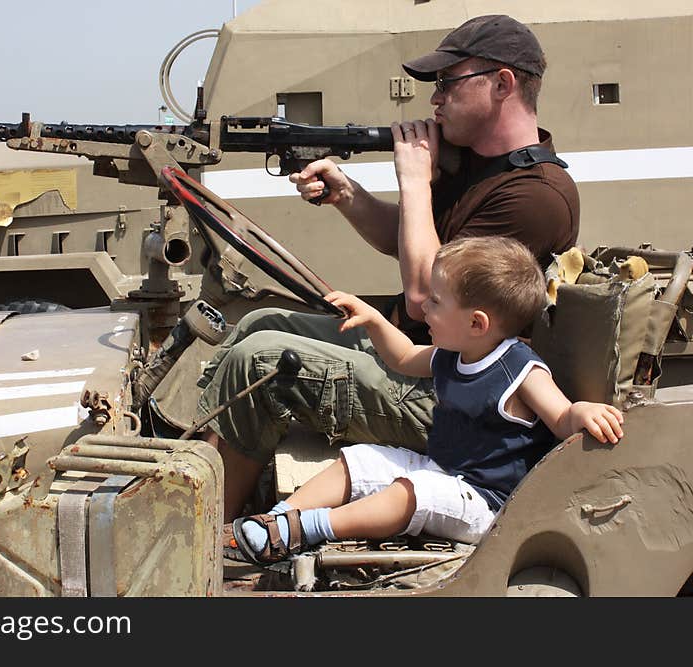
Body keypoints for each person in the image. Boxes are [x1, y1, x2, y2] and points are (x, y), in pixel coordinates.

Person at [197, 14, 581, 520]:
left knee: (263, 361)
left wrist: (416, 179)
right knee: (258, 323)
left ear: (502, 84)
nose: (435, 99)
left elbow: (424, 295)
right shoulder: (477, 166)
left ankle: (209, 538)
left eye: (447, 83)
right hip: (429, 356)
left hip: (458, 400)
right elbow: (407, 240)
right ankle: (196, 467)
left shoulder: (535, 196)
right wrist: (346, 194)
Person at [228, 237, 624, 564]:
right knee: (361, 459)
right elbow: (401, 357)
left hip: (488, 503)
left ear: (476, 323)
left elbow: (561, 417)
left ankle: (309, 527)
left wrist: (582, 411)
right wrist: (376, 321)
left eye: (435, 301)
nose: (423, 309)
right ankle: (277, 524)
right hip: (444, 468)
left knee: (412, 493)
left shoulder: (518, 369)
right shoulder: (454, 353)